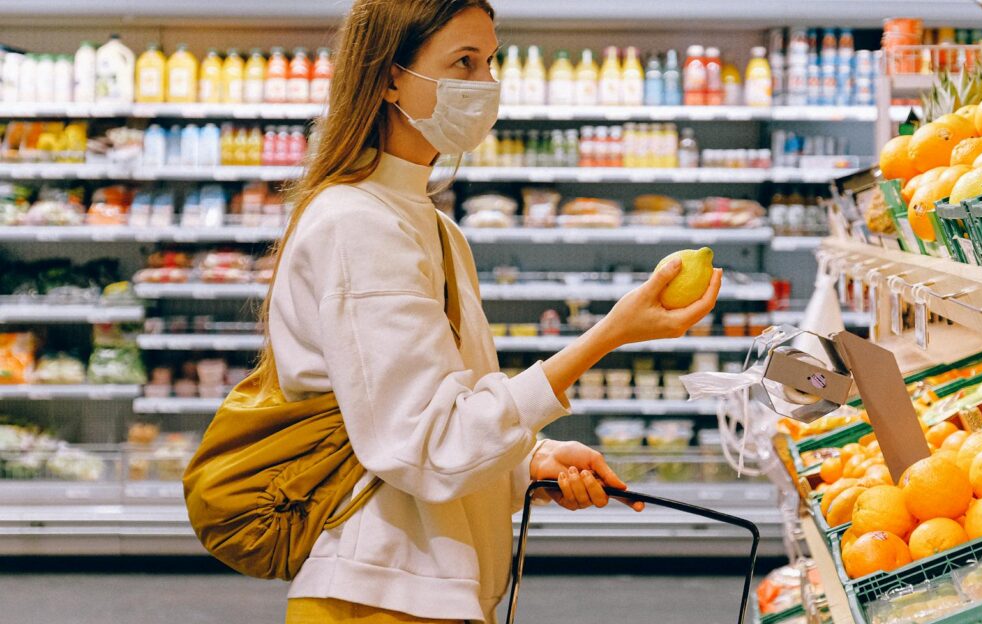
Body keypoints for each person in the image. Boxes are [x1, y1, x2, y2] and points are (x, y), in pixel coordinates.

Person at [266, 1, 722, 622]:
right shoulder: (357, 225)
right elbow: (428, 446)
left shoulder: (433, 227)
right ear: (390, 76)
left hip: (430, 590)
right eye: (464, 62)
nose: (486, 85)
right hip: (375, 594)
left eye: (490, 62)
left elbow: (445, 417)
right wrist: (605, 337)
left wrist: (525, 460)